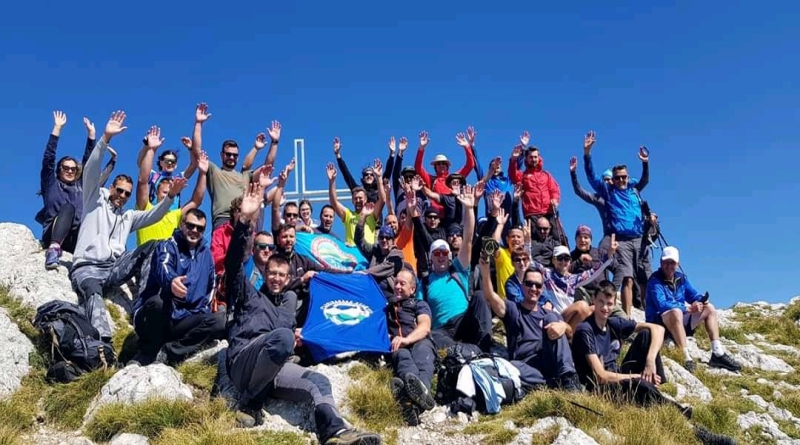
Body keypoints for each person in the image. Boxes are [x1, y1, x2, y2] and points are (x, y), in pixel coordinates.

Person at [224, 184, 381, 444]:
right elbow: (232, 265)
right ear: (265, 273)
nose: (276, 279)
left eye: (282, 276)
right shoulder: (248, 293)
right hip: (244, 362)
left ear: (288, 279)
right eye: (272, 273)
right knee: (284, 337)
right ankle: (249, 402)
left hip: (273, 371)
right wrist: (244, 221)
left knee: (317, 381)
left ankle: (333, 432)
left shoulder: (287, 305)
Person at [70, 111, 184, 342]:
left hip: (113, 268)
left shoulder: (128, 216)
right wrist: (105, 139)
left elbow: (154, 215)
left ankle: (141, 306)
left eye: (127, 193)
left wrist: (170, 197)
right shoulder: (93, 199)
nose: (122, 195)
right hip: (87, 268)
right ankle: (103, 341)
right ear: (112, 188)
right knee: (93, 293)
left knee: (152, 246)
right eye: (119, 190)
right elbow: (91, 169)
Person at [130, 209, 226, 366]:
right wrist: (171, 281)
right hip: (158, 315)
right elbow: (162, 266)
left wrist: (200, 319)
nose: (194, 231)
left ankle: (170, 352)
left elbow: (209, 291)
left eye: (200, 228)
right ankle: (146, 353)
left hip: (184, 320)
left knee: (219, 322)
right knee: (158, 303)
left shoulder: (207, 256)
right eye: (190, 225)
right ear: (182, 224)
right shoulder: (168, 245)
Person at [477, 259, 581, 393]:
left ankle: (568, 377)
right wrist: (485, 272)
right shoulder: (513, 309)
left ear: (542, 289)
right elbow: (490, 296)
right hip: (525, 364)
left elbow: (570, 335)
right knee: (511, 366)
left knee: (552, 317)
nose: (533, 289)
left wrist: (565, 327)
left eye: (538, 285)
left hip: (547, 357)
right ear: (522, 286)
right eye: (529, 284)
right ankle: (553, 383)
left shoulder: (548, 313)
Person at [582, 130, 649, 317]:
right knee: (627, 277)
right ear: (613, 178)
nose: (621, 180)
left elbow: (645, 180)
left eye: (624, 177)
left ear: (628, 177)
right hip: (622, 240)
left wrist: (645, 163)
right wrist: (587, 155)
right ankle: (627, 317)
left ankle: (648, 312)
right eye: (618, 177)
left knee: (645, 278)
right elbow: (591, 177)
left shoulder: (633, 189)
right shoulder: (608, 190)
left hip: (640, 238)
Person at [645, 247, 742, 373]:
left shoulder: (681, 278)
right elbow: (662, 305)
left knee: (710, 308)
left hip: (678, 321)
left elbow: (693, 295)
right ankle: (685, 357)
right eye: (666, 262)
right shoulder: (654, 281)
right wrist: (688, 308)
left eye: (672, 263)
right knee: (676, 311)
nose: (669, 266)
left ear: (678, 264)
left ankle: (717, 352)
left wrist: (701, 300)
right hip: (659, 323)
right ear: (661, 263)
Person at [420, 184, 492, 351]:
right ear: (431, 258)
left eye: (444, 253)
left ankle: (485, 348)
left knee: (480, 296)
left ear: (449, 256)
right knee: (433, 336)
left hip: (464, 320)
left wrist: (468, 208)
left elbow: (467, 238)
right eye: (436, 253)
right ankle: (466, 352)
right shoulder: (424, 282)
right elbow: (421, 309)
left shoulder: (458, 269)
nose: (441, 256)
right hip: (442, 329)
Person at [37, 111, 111, 269]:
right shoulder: (51, 184)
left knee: (96, 221)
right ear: (59, 169)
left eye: (73, 169)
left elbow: (89, 163)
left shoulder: (80, 186)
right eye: (66, 168)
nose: (70, 171)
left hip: (76, 238)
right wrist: (57, 129)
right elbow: (48, 159)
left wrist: (92, 136)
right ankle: (54, 250)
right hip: (53, 233)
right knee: (68, 208)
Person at [189, 103, 280, 229]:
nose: (231, 157)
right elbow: (197, 150)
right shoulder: (214, 171)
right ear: (222, 155)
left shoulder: (245, 176)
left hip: (244, 219)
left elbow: (267, 167)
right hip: (222, 220)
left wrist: (274, 142)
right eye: (228, 154)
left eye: (235, 155)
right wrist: (198, 123)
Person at [135, 126, 210, 246]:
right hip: (153, 211)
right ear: (160, 162)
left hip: (171, 216)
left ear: (176, 165)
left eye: (173, 162)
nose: (170, 163)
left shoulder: (177, 178)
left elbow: (194, 165)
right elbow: (142, 172)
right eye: (166, 160)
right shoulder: (154, 175)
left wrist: (191, 149)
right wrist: (149, 148)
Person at [386, 268, 437, 426]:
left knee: (423, 359)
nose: (398, 287)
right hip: (398, 347)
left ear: (413, 289)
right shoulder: (387, 307)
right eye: (396, 283)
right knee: (402, 358)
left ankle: (409, 401)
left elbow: (425, 326)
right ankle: (415, 404)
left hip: (419, 341)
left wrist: (406, 340)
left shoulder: (419, 304)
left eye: (403, 283)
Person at [508, 135, 563, 243]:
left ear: (539, 158)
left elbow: (554, 190)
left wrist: (555, 200)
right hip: (532, 214)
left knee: (558, 238)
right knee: (534, 241)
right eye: (531, 157)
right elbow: (513, 176)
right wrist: (513, 159)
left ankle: (563, 258)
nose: (533, 159)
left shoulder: (546, 175)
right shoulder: (523, 176)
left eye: (535, 157)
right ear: (527, 159)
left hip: (549, 212)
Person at [413, 130, 475, 214]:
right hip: (436, 218)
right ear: (435, 167)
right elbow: (418, 167)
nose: (441, 165)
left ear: (447, 166)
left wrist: (466, 146)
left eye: (443, 163)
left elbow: (470, 165)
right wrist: (421, 148)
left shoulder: (454, 178)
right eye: (438, 164)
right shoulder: (431, 180)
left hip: (453, 215)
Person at [327, 161, 385, 246]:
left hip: (367, 256)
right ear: (352, 201)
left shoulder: (372, 216)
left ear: (366, 200)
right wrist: (332, 182)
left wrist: (379, 178)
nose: (358, 200)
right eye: (355, 198)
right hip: (352, 256)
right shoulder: (348, 215)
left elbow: (382, 200)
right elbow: (333, 202)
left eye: (360, 198)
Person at [333, 137, 380, 203]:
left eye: (371, 174)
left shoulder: (379, 190)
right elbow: (347, 175)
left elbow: (387, 175)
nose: (369, 176)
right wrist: (338, 156)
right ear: (363, 178)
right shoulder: (358, 190)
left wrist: (392, 154)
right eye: (366, 174)